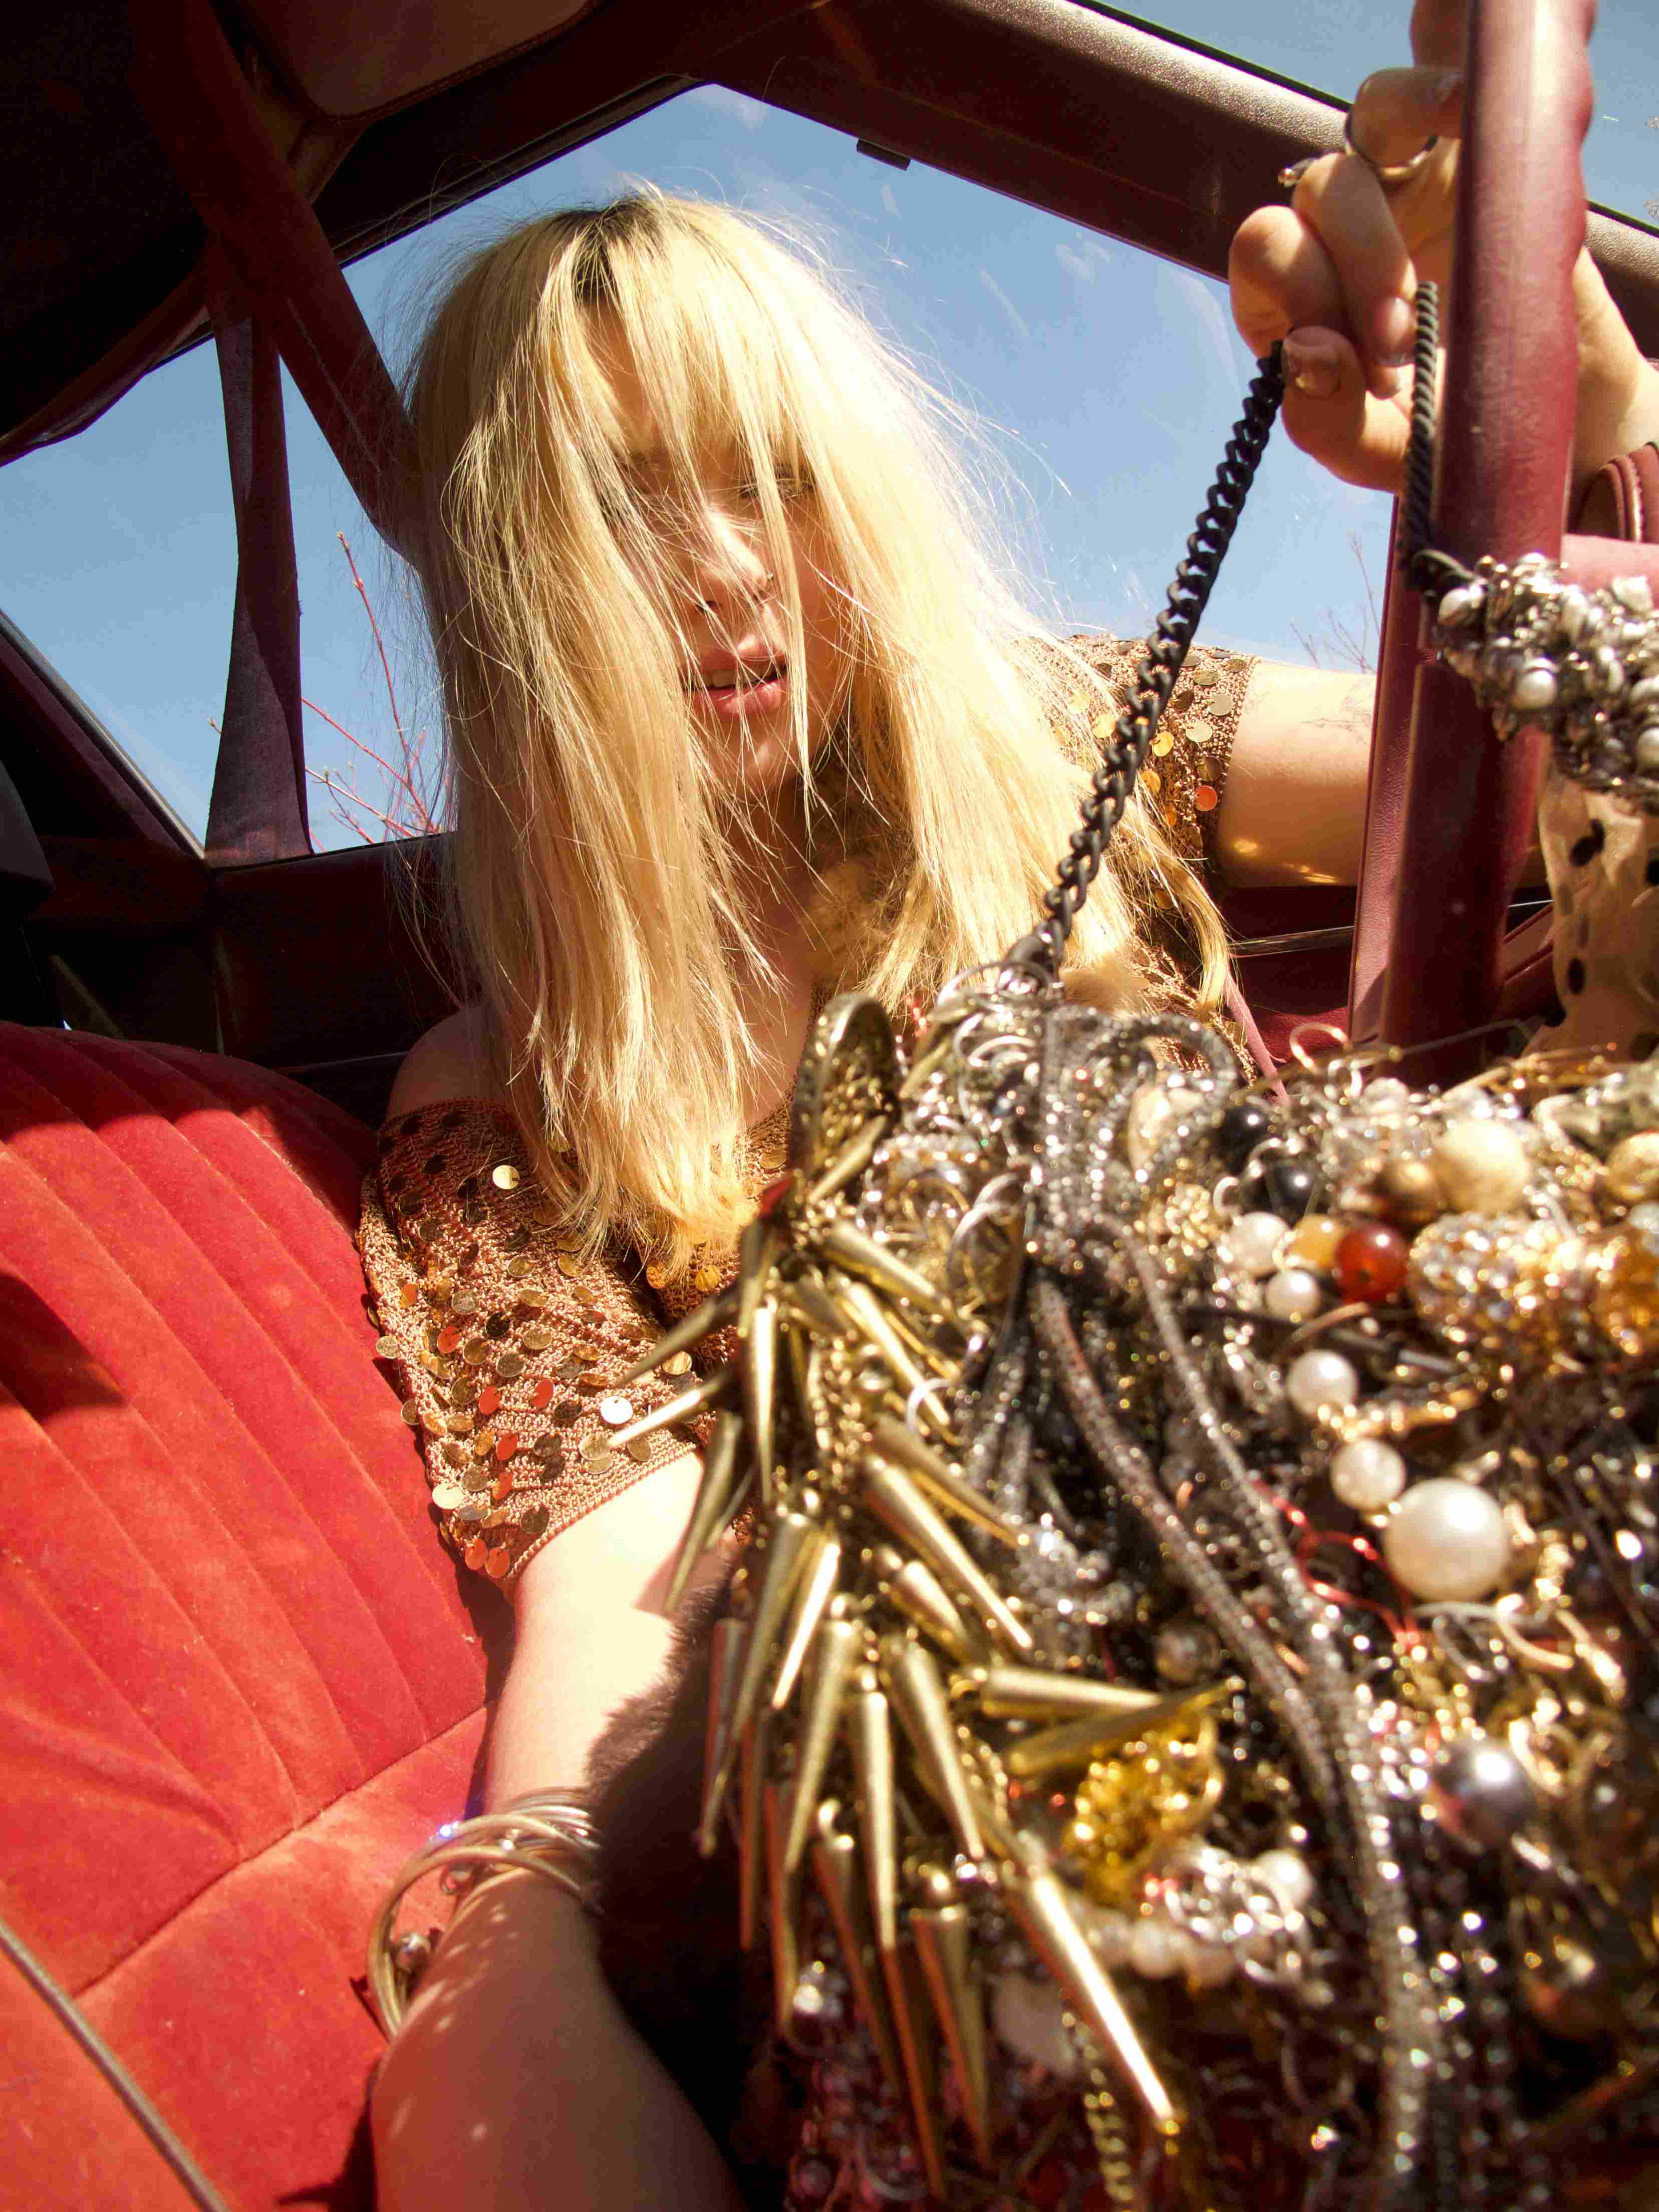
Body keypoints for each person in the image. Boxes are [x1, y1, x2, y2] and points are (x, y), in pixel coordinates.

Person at [362, 11, 1659, 2204]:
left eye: (763, 471)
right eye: (617, 503)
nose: (725, 571)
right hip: (1007, 1770)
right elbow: (604, 1621)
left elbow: (1576, 788)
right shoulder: (511, 1091)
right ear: (509, 589)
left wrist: (1600, 432)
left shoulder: (1081, 738)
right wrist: (510, 1958)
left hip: (1410, 1512)